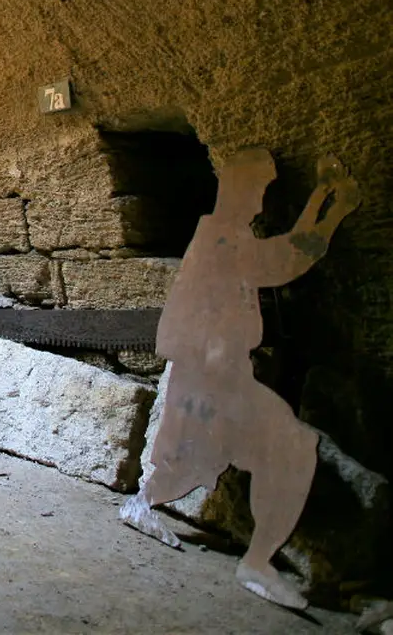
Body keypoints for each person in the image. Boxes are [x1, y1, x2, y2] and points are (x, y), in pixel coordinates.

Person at [119, 148, 359, 609]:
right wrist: (332, 207)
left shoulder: (225, 236)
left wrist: (324, 201)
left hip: (220, 379)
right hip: (215, 381)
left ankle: (147, 508)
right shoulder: (222, 239)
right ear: (239, 191)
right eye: (257, 192)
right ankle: (256, 560)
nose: (259, 203)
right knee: (272, 448)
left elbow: (283, 252)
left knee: (202, 456)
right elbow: (287, 259)